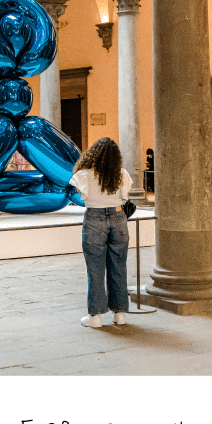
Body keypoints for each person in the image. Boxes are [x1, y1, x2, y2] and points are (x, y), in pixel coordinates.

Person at [70, 137, 134, 328]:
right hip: (118, 218)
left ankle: (95, 317)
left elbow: (78, 192)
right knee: (119, 267)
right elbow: (125, 197)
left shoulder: (84, 175)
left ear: (93, 154)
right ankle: (120, 314)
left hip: (94, 220)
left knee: (95, 269)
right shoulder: (122, 175)